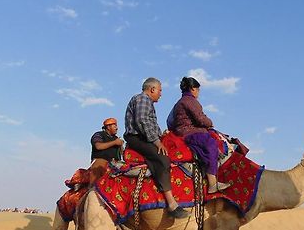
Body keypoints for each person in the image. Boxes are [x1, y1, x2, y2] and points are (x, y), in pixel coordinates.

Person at [124, 77, 190, 219]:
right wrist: (156, 141)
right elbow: (142, 120)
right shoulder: (142, 99)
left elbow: (150, 123)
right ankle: (172, 204)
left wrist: (161, 135)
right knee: (163, 159)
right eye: (160, 90)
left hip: (143, 137)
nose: (161, 94)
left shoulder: (145, 101)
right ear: (152, 89)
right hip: (137, 138)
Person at [168, 77, 230, 194]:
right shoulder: (190, 101)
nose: (198, 93)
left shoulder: (180, 102)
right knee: (211, 144)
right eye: (198, 90)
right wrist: (210, 122)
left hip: (184, 131)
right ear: (192, 89)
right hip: (190, 133)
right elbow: (201, 119)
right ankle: (212, 183)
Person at [89, 117, 124, 184]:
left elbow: (122, 154)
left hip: (116, 163)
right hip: (101, 161)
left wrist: (121, 146)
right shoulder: (98, 135)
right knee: (100, 164)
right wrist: (115, 142)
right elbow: (98, 146)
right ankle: (92, 187)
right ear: (108, 127)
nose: (117, 128)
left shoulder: (116, 138)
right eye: (114, 126)